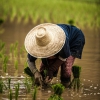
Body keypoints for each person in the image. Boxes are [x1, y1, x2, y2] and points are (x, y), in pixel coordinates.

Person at [24, 23, 85, 87]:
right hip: (60, 38)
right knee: (44, 69)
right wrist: (35, 73)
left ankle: (66, 86)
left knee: (66, 70)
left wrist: (52, 70)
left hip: (74, 39)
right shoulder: (37, 43)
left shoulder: (61, 40)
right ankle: (43, 85)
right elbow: (29, 60)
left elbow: (64, 57)